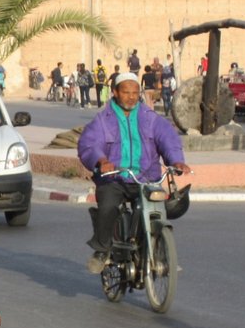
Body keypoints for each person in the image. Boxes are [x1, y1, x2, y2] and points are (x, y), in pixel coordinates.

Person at [77, 73, 190, 273]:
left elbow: (169, 140)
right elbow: (89, 144)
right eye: (126, 92)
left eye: (135, 92)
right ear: (115, 92)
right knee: (108, 206)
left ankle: (160, 251)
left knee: (159, 206)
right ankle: (102, 250)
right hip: (115, 179)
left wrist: (177, 161)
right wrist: (101, 160)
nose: (131, 97)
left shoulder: (151, 119)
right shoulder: (102, 121)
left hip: (146, 178)